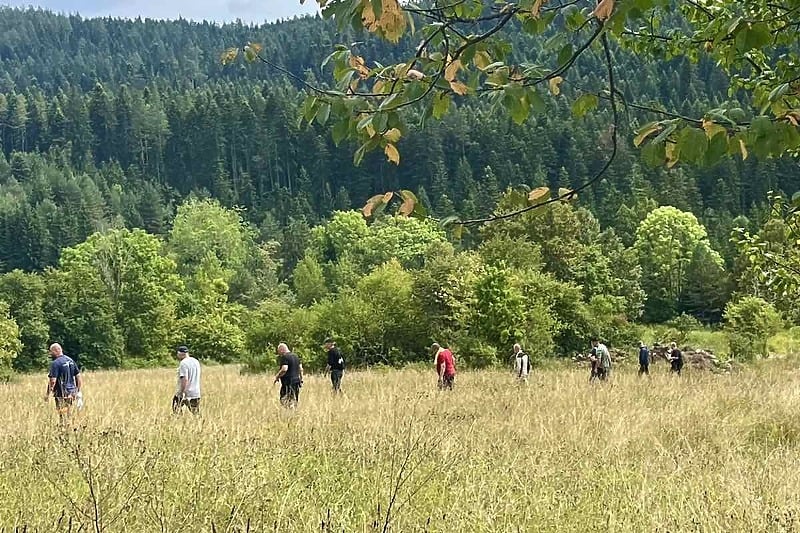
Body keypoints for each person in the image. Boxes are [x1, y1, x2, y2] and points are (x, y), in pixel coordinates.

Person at [43, 343, 82, 420]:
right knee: (68, 411)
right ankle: (69, 427)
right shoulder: (71, 360)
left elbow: (52, 381)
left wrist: (47, 394)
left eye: (51, 351)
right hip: (71, 392)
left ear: (56, 350)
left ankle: (63, 428)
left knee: (62, 413)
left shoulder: (56, 363)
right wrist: (77, 391)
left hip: (61, 392)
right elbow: (78, 377)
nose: (50, 354)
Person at [172, 346, 201, 415]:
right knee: (196, 414)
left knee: (176, 410)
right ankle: (200, 425)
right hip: (196, 392)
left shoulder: (183, 363)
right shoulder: (196, 361)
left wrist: (181, 392)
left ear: (180, 353)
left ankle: (179, 424)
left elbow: (184, 379)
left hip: (186, 393)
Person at [274, 343, 303, 408]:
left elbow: (284, 369)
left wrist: (277, 376)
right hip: (296, 381)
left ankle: (288, 414)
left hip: (288, 382)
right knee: (294, 399)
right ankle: (293, 414)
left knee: (284, 400)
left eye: (278, 351)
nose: (279, 354)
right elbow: (301, 369)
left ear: (282, 349)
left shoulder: (285, 357)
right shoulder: (296, 356)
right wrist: (301, 379)